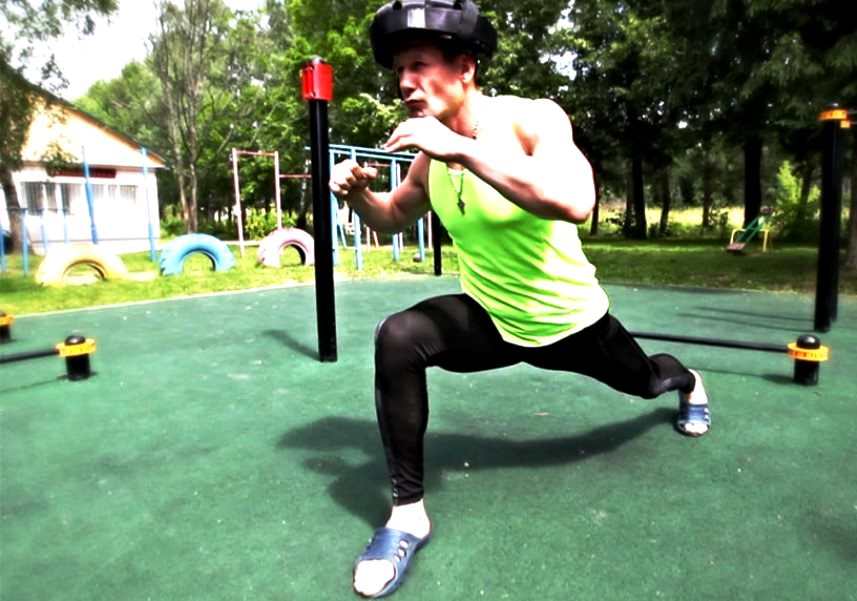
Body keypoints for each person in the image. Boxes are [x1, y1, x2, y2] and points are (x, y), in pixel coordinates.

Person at [329, 0, 712, 597]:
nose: (404, 82)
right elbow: (393, 215)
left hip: (569, 321)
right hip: (490, 319)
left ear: (465, 68)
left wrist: (462, 150)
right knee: (398, 337)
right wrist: (357, 196)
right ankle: (408, 514)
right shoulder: (431, 157)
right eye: (399, 70)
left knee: (646, 382)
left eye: (418, 65)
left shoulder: (533, 119)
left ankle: (689, 380)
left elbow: (575, 200)